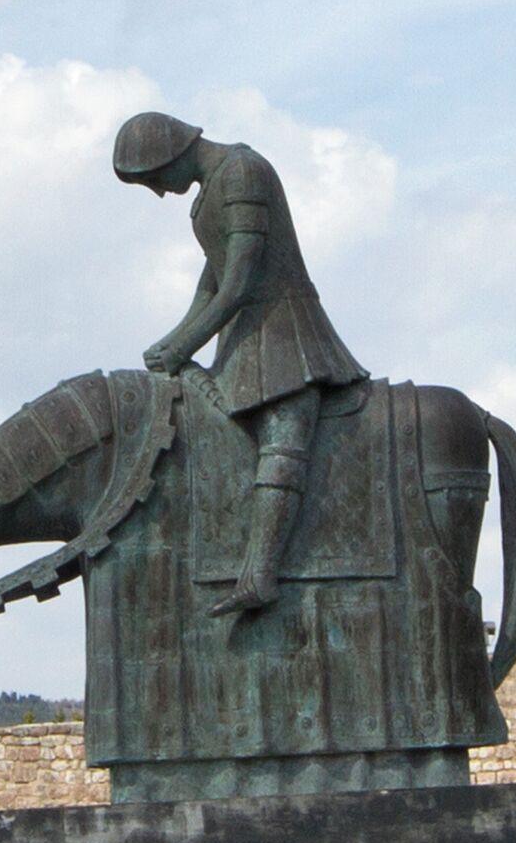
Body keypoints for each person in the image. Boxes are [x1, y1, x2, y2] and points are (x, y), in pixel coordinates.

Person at [115, 111, 371, 621]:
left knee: (282, 440)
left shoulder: (242, 172)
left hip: (283, 333)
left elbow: (242, 281)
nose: (160, 193)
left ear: (169, 155)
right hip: (242, 338)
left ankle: (260, 574)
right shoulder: (208, 195)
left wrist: (184, 342)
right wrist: (173, 344)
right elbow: (211, 283)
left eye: (153, 181)